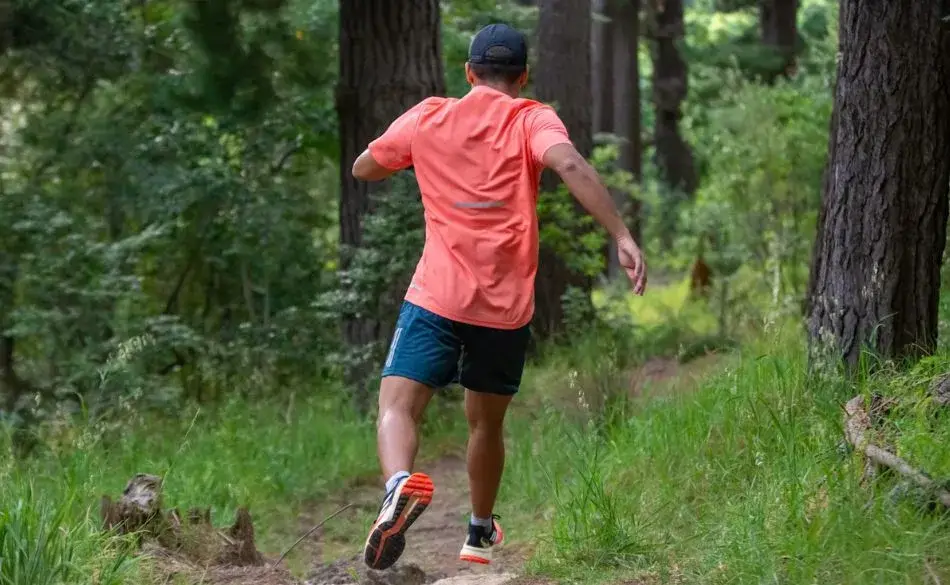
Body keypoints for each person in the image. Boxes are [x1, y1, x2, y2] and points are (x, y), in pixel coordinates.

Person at [351, 23, 647, 571]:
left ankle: (397, 486)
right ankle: (479, 533)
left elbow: (364, 167)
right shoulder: (530, 117)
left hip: (436, 297)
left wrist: (412, 155)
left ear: (468, 73)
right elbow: (571, 165)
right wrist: (622, 237)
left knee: (396, 405)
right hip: (504, 310)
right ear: (523, 75)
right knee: (485, 423)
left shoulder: (429, 115)